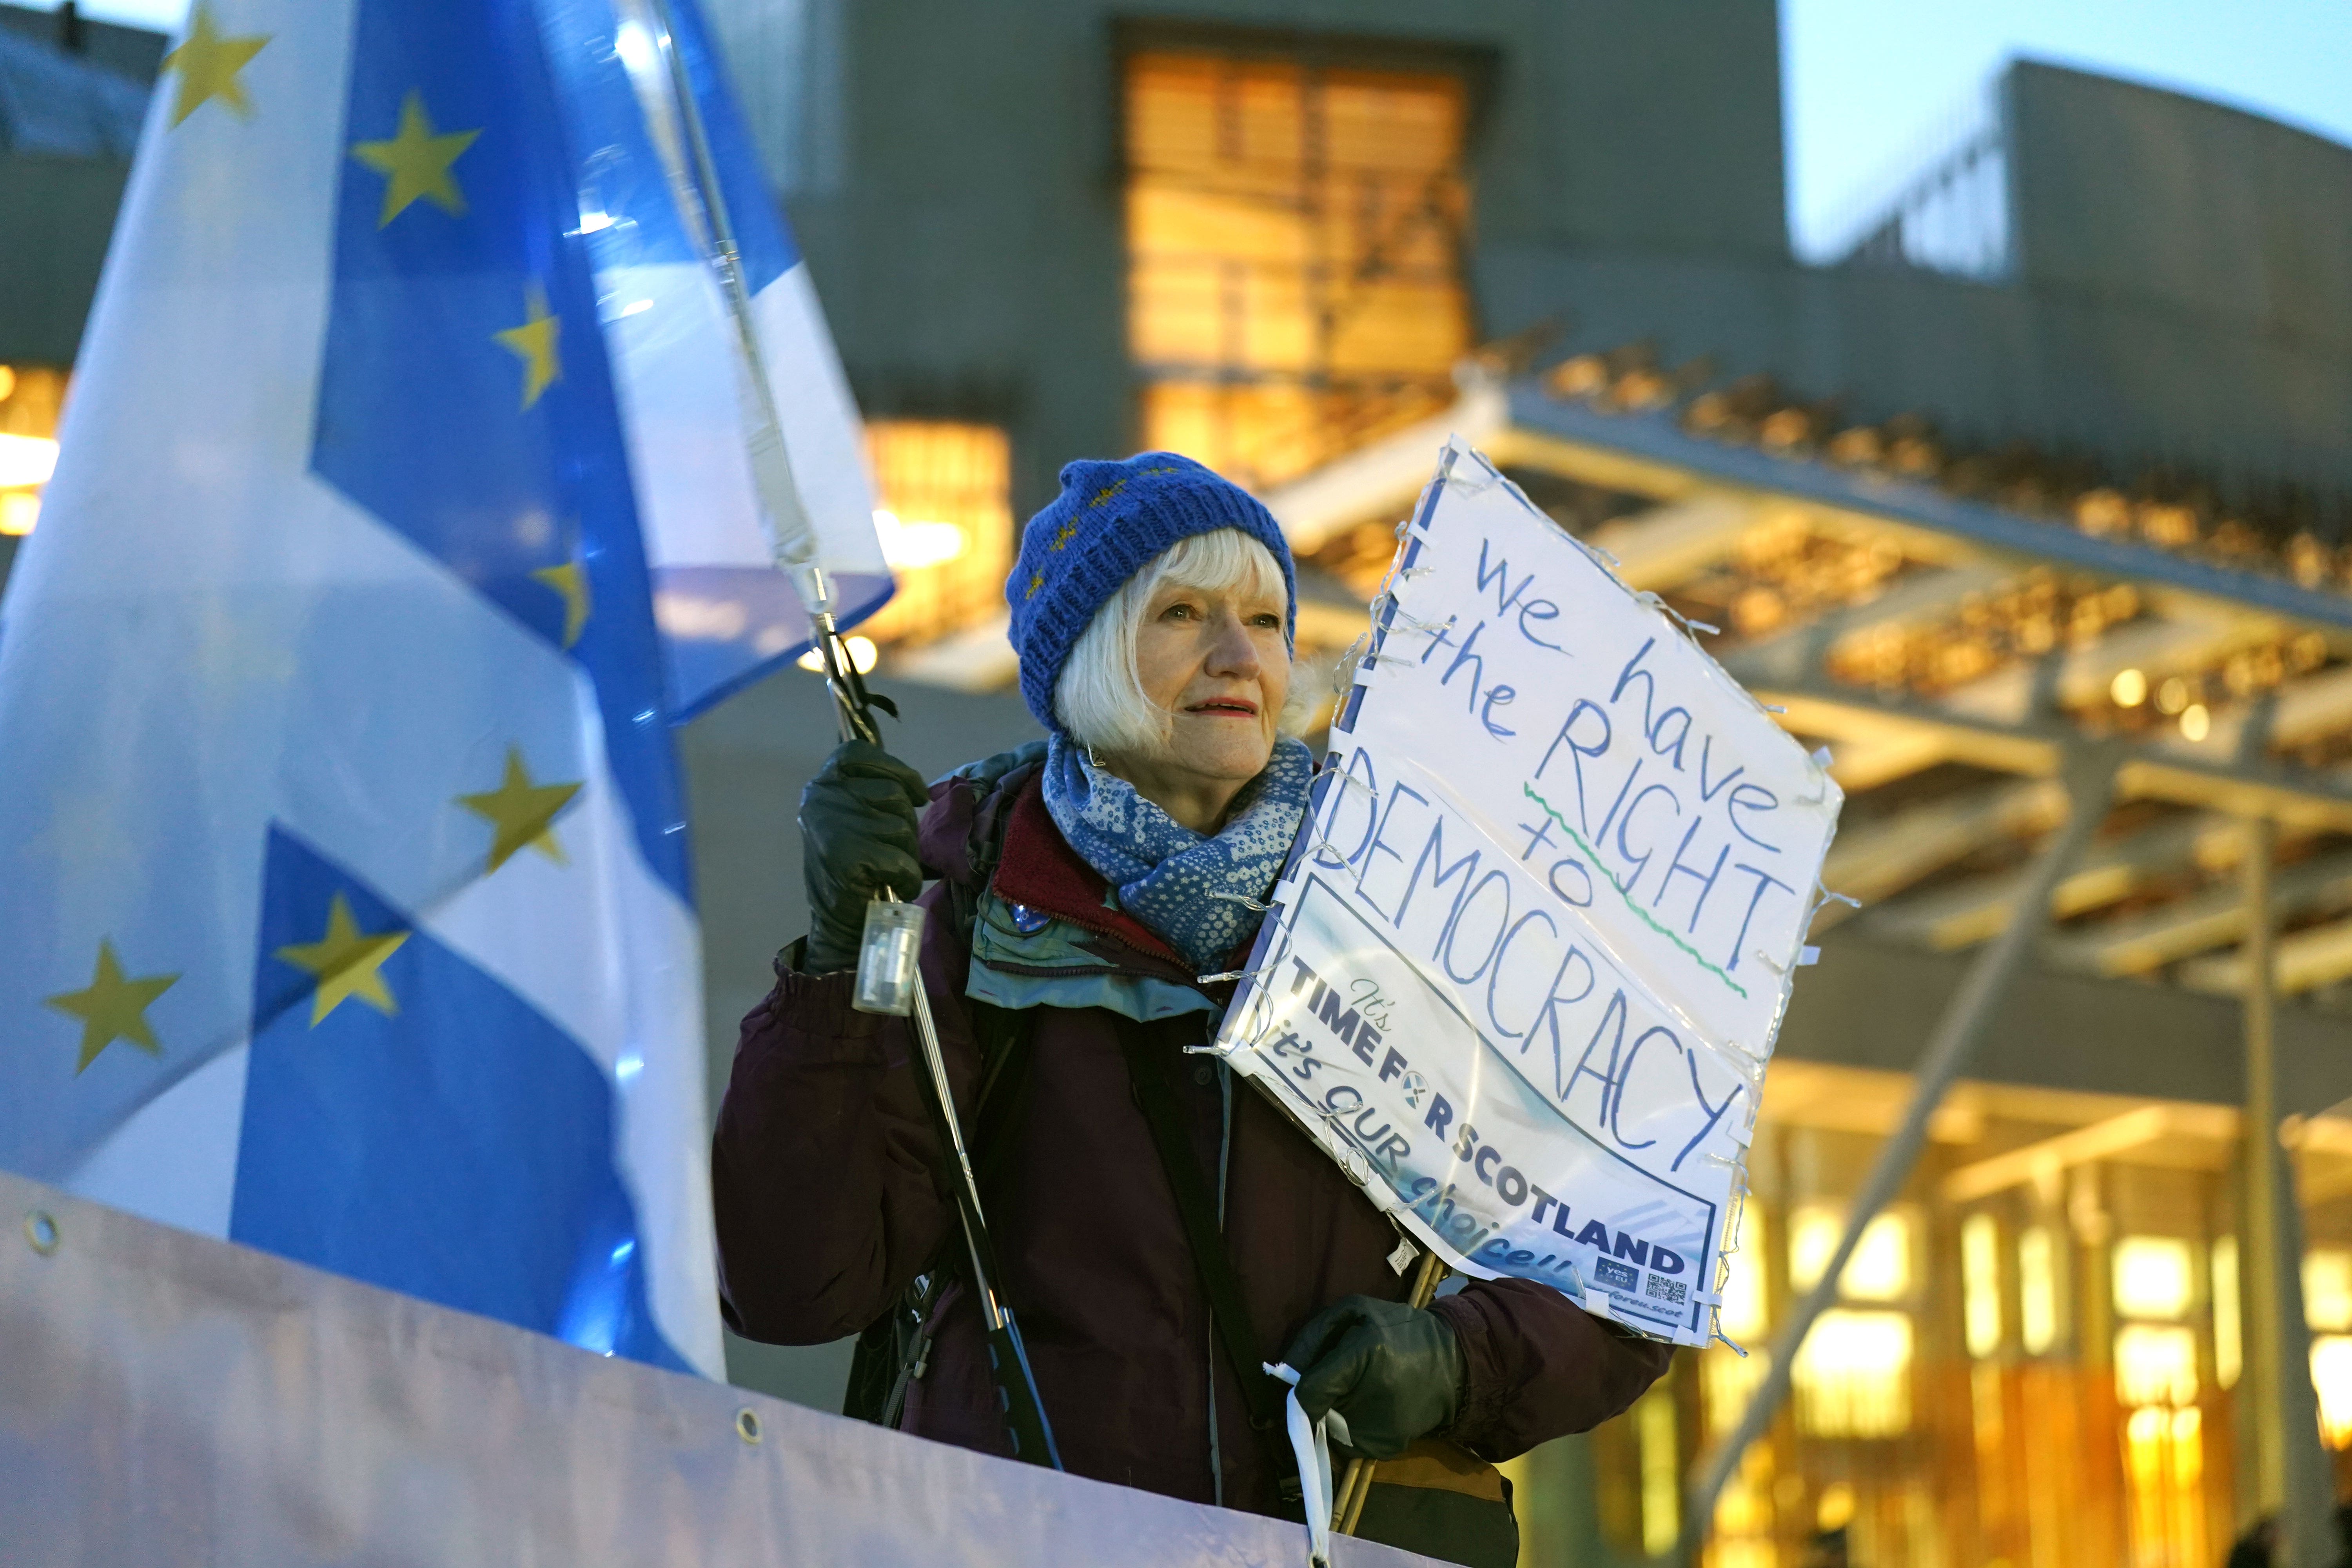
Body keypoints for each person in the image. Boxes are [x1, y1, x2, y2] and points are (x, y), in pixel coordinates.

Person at [712, 453, 1673, 1567]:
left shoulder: (1419, 910)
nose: (1238, 656)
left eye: (1266, 620)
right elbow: (794, 1284)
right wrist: (839, 958)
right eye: (1181, 613)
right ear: (1084, 657)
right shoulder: (960, 911)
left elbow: (1623, 1261)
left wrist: (1460, 1364)